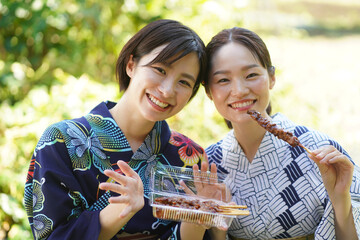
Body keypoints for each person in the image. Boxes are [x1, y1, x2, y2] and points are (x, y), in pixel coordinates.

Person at [23, 19, 213, 240]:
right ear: (131, 64)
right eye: (160, 70)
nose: (167, 90)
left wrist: (199, 218)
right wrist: (119, 212)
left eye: (184, 82)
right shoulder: (60, 142)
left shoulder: (190, 157)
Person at [203, 27, 360, 240]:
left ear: (272, 77)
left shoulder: (319, 149)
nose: (239, 90)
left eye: (251, 75)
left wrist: (340, 198)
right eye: (223, 80)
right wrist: (215, 225)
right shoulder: (209, 162)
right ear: (208, 91)